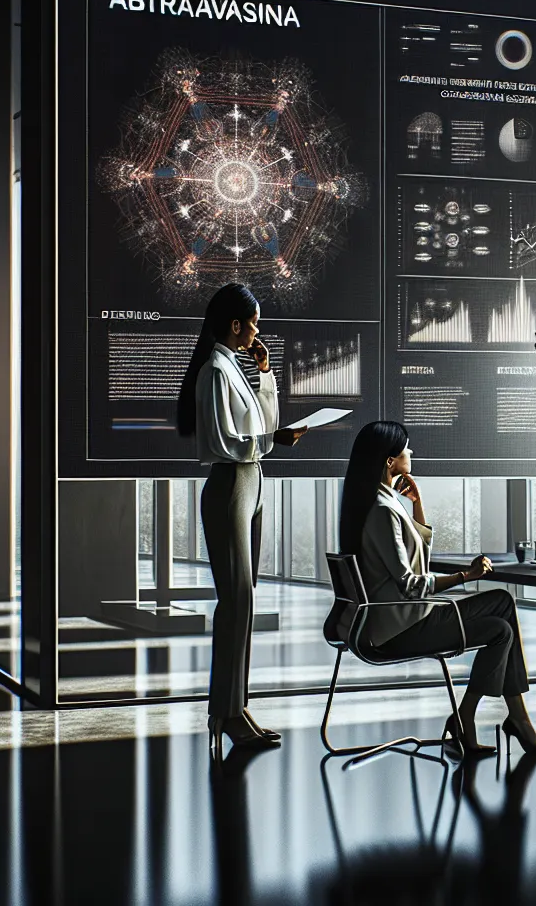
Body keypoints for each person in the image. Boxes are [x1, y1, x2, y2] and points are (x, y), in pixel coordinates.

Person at [338, 421, 536, 757]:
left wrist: (417, 505)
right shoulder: (383, 511)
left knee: (502, 602)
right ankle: (473, 716)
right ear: (390, 461)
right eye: (406, 448)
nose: (411, 452)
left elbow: (416, 561)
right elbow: (412, 585)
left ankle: (508, 719)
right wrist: (466, 576)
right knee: (500, 630)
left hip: (400, 619)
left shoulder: (381, 502)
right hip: (402, 628)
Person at [177, 283, 308, 759]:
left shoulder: (234, 366)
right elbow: (224, 441)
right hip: (232, 483)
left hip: (251, 482)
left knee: (245, 601)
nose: (257, 331)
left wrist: (267, 374)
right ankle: (225, 713)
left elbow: (262, 426)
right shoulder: (214, 370)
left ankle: (237, 707)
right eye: (253, 323)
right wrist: (273, 439)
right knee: (235, 602)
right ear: (235, 324)